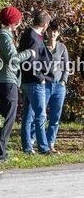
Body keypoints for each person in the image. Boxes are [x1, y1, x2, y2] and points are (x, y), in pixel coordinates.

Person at [0, 7, 35, 162]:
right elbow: (13, 59)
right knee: (7, 118)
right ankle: (0, 153)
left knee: (5, 116)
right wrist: (29, 53)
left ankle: (0, 150)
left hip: (3, 81)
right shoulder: (3, 35)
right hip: (7, 80)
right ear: (14, 22)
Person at [19, 10, 53, 155]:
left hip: (28, 81)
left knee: (28, 115)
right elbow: (30, 62)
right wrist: (41, 77)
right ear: (45, 24)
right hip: (34, 81)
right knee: (40, 116)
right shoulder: (33, 37)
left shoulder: (29, 34)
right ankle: (43, 147)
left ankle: (27, 147)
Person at [45, 21, 69, 153]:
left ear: (58, 33)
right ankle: (34, 141)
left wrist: (63, 81)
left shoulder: (62, 47)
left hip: (59, 86)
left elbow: (66, 66)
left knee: (55, 116)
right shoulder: (42, 46)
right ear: (47, 32)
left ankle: (50, 143)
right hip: (45, 85)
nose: (53, 33)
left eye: (55, 31)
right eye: (51, 30)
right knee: (41, 114)